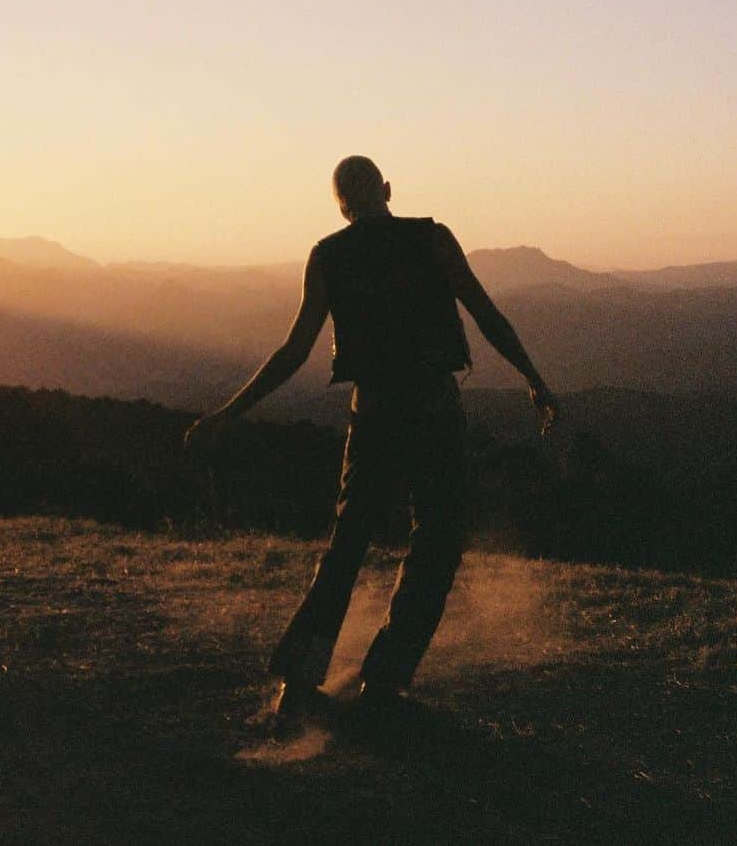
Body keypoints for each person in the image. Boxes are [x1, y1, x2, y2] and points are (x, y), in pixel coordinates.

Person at [185, 155, 557, 734]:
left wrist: (229, 413)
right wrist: (534, 379)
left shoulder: (329, 255)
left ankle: (298, 685)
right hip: (433, 407)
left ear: (341, 204)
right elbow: (488, 315)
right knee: (437, 537)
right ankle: (384, 681)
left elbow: (293, 351)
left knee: (349, 540)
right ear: (387, 189)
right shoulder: (433, 239)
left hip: (375, 411)